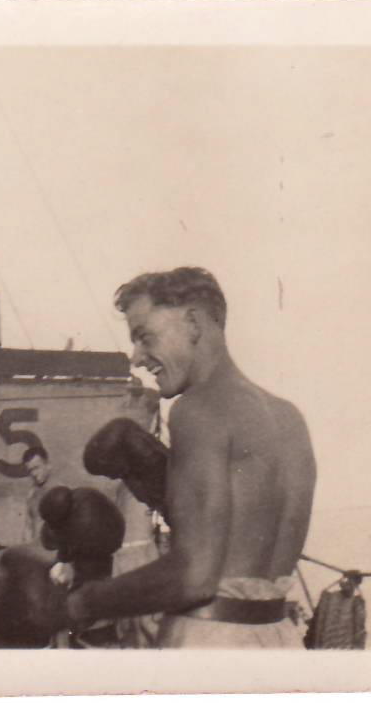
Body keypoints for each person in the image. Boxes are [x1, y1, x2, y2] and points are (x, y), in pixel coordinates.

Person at [65, 267, 317, 648]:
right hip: (280, 639)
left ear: (194, 323)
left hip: (210, 644)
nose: (136, 358)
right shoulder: (289, 417)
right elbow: (239, 547)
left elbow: (194, 577)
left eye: (145, 338)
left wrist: (79, 603)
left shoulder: (197, 409)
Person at [21, 446, 52, 544]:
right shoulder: (31, 494)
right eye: (30, 470)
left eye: (36, 468)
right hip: (37, 552)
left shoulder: (60, 490)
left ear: (48, 465)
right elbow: (28, 527)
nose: (34, 474)